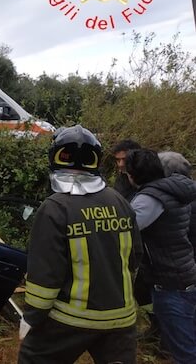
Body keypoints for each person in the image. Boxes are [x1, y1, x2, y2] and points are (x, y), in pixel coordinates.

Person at [18, 125, 142, 364]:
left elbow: (45, 276)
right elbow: (135, 258)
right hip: (122, 318)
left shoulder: (55, 207)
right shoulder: (120, 201)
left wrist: (31, 318)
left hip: (70, 320)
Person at [126, 149, 196, 364]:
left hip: (170, 281)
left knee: (185, 351)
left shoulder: (150, 200)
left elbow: (123, 229)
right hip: (185, 272)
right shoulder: (180, 192)